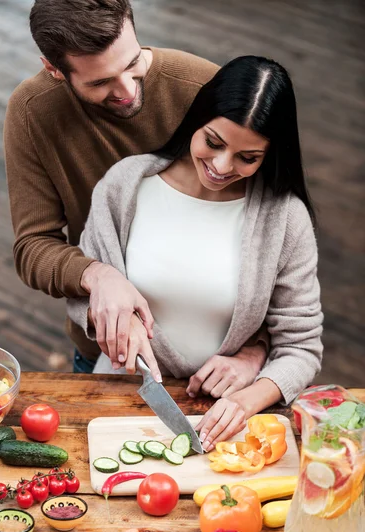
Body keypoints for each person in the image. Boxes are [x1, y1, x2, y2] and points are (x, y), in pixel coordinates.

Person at [4, 0, 268, 388]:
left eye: (132, 64)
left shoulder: (205, 87)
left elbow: (275, 235)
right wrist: (96, 275)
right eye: (99, 82)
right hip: (112, 354)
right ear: (53, 69)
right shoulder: (32, 112)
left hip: (226, 364)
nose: (126, 90)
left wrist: (257, 349)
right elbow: (33, 246)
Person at [67, 56, 324, 450]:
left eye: (247, 157)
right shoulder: (126, 185)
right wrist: (111, 320)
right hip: (117, 401)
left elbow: (301, 347)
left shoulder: (286, 219)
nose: (222, 166)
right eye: (213, 142)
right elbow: (80, 294)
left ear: (270, 154)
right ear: (196, 120)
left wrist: (248, 396)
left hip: (226, 422)